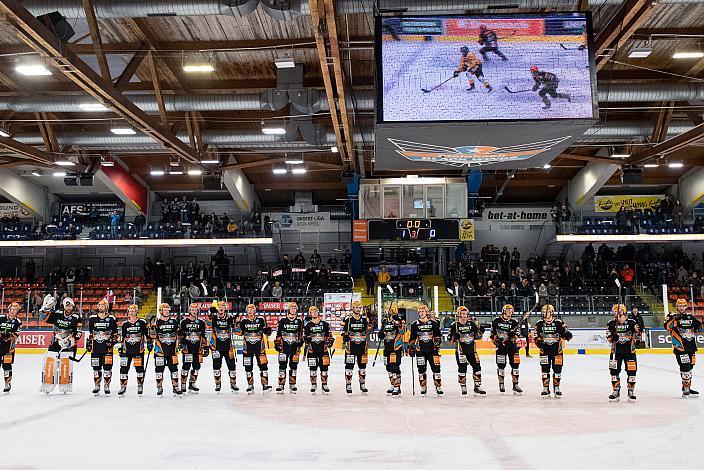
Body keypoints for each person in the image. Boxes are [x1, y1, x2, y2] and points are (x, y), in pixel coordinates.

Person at [39, 296, 81, 394]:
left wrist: (72, 340)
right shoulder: (57, 314)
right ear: (64, 306)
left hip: (68, 343)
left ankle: (65, 384)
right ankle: (47, 382)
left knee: (65, 363)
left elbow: (78, 332)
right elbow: (43, 319)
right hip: (56, 342)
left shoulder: (76, 317)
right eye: (67, 306)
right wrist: (45, 309)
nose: (69, 308)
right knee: (50, 361)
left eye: (71, 306)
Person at [664, 298, 704, 397]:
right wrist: (673, 319)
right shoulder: (671, 316)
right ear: (677, 306)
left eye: (683, 306)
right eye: (680, 306)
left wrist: (702, 324)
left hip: (691, 346)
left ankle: (687, 387)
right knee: (685, 367)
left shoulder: (690, 317)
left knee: (690, 367)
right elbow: (667, 327)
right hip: (680, 347)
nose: (681, 308)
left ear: (686, 306)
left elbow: (699, 329)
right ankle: (686, 390)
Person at [534, 304, 573, 398]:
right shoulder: (539, 323)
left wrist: (568, 335)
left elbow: (565, 335)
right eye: (543, 311)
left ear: (551, 312)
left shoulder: (559, 322)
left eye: (546, 311)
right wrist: (538, 343)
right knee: (545, 370)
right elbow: (535, 336)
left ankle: (556, 388)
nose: (544, 313)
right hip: (544, 351)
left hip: (557, 351)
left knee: (557, 370)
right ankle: (545, 388)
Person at [449, 306, 486, 396]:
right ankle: (463, 385)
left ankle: (477, 386)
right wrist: (454, 337)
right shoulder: (454, 325)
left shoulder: (472, 324)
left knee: (477, 367)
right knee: (462, 368)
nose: (465, 315)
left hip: (472, 350)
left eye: (466, 314)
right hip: (461, 351)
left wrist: (481, 332)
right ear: (458, 314)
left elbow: (478, 336)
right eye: (463, 314)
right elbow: (450, 340)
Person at [606, 304, 640, 402]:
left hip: (630, 351)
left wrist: (636, 333)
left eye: (617, 311)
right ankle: (616, 391)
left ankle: (631, 391)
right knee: (613, 372)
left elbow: (638, 333)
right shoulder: (611, 323)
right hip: (615, 352)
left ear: (623, 311)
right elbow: (608, 338)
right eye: (614, 311)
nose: (615, 313)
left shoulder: (631, 322)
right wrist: (613, 338)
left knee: (632, 372)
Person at [237, 304, 272, 394]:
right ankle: (250, 386)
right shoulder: (243, 321)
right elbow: (238, 333)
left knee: (263, 366)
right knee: (248, 367)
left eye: (252, 309)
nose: (250, 311)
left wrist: (268, 331)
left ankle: (265, 385)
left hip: (260, 348)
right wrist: (236, 323)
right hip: (247, 349)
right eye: (248, 309)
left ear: (255, 310)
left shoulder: (260, 319)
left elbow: (267, 331)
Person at [409, 304, 443, 396]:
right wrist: (411, 347)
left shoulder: (433, 323)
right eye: (419, 312)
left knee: (436, 369)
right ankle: (423, 387)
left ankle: (438, 386)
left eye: (423, 311)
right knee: (421, 369)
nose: (421, 313)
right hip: (420, 350)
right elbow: (412, 338)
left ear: (426, 312)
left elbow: (438, 336)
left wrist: (437, 342)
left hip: (433, 350)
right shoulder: (414, 324)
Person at [206, 300, 239, 392]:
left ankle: (233, 384)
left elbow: (237, 330)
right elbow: (207, 324)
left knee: (232, 366)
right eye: (219, 306)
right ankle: (217, 384)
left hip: (228, 347)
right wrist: (209, 314)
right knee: (216, 366)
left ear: (226, 308)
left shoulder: (229, 317)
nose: (221, 308)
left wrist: (236, 322)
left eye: (223, 306)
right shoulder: (214, 317)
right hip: (216, 347)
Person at [87, 299, 118, 395]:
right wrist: (89, 342)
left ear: (106, 307)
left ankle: (106, 385)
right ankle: (97, 385)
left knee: (107, 368)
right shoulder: (92, 318)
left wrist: (112, 341)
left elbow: (116, 333)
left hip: (107, 348)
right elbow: (90, 332)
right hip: (95, 347)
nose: (100, 307)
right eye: (99, 305)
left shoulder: (112, 319)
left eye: (103, 305)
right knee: (96, 367)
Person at [118, 305, 150, 396]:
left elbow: (147, 335)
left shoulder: (142, 322)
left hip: (138, 350)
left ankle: (140, 385)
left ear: (136, 312)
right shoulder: (125, 324)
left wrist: (150, 343)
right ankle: (123, 387)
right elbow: (122, 337)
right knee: (123, 369)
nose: (131, 312)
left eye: (133, 310)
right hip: (126, 351)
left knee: (139, 369)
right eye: (130, 310)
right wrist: (120, 347)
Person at [150, 303, 181, 396]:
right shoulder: (157, 322)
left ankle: (175, 387)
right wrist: (151, 327)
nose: (167, 311)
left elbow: (179, 334)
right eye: (165, 309)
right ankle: (159, 387)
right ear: (161, 311)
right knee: (159, 369)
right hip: (160, 351)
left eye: (168, 309)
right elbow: (152, 336)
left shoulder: (174, 321)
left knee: (174, 369)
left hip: (172, 351)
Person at [491, 304, 522, 395]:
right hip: (501, 347)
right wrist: (496, 341)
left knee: (515, 365)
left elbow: (518, 334)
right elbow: (492, 333)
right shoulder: (496, 321)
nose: (510, 312)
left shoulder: (514, 322)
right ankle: (501, 383)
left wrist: (514, 336)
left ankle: (515, 384)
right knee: (501, 365)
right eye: (508, 310)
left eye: (511, 310)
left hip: (512, 347)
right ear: (504, 311)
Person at [342, 301, 371, 395]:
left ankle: (362, 384)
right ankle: (348, 384)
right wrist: (345, 337)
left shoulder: (364, 318)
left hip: (362, 347)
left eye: (360, 307)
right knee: (349, 366)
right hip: (350, 347)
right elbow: (343, 331)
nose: (358, 309)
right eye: (356, 307)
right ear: (353, 308)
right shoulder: (348, 319)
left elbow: (367, 331)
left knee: (362, 367)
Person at [275, 302, 304, 394]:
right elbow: (279, 333)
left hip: (295, 347)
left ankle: (292, 384)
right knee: (282, 365)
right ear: (289, 309)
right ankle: (281, 384)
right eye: (292, 308)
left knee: (294, 366)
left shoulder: (299, 320)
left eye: (295, 308)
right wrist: (277, 343)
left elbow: (301, 334)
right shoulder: (283, 320)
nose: (293, 310)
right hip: (284, 346)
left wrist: (301, 342)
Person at [303, 305, 333, 394]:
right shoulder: (307, 325)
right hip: (312, 350)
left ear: (318, 312)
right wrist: (306, 339)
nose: (314, 313)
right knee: (313, 368)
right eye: (312, 311)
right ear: (310, 313)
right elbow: (305, 337)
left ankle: (324, 384)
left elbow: (329, 335)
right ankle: (313, 384)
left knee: (324, 368)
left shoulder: (325, 324)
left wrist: (330, 341)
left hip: (323, 349)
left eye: (316, 311)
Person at [179, 303, 208, 394]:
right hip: (187, 348)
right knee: (186, 366)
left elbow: (204, 336)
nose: (194, 311)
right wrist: (181, 341)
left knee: (196, 366)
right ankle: (183, 384)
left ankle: (192, 383)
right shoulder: (184, 322)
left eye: (195, 310)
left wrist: (205, 347)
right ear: (189, 311)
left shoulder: (201, 322)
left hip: (197, 348)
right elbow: (180, 335)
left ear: (197, 311)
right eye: (192, 310)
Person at [378, 306, 406, 396]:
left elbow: (402, 331)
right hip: (387, 347)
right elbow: (382, 331)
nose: (389, 311)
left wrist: (397, 322)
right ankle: (393, 384)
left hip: (395, 347)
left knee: (395, 367)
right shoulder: (384, 321)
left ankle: (397, 387)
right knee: (388, 367)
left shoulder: (399, 319)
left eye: (392, 310)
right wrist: (381, 334)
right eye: (388, 310)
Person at [0, 302, 22, 393]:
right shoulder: (1, 318)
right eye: (12, 309)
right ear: (8, 309)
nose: (13, 311)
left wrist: (8, 336)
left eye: (15, 309)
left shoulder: (18, 322)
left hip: (8, 347)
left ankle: (7, 383)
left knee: (7, 365)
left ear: (17, 311)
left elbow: (17, 335)